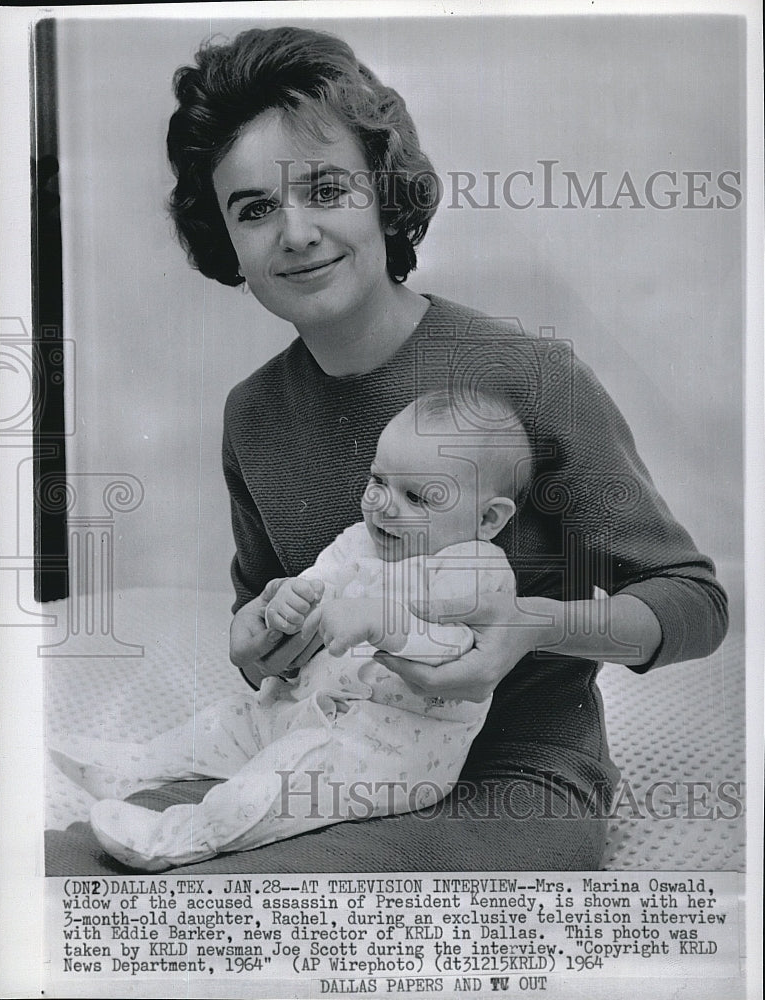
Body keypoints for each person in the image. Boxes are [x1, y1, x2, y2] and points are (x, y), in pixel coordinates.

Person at [155, 25, 727, 871]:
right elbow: (270, 637)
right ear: (226, 242)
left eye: (325, 187)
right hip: (319, 756)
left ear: (382, 193)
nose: (297, 231)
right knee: (72, 859)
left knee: (226, 892)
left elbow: (694, 605)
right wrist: (259, 644)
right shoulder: (253, 415)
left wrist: (530, 625)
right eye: (255, 208)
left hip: (510, 781)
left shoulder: (528, 375)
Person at [50, 391, 523, 871]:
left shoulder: (474, 569)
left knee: (281, 781)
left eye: (416, 496)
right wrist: (285, 608)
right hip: (302, 709)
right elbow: (312, 591)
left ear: (488, 518)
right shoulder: (358, 542)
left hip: (388, 750)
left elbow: (456, 648)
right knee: (230, 720)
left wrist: (382, 622)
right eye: (378, 480)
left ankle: (182, 836)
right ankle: (135, 767)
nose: (381, 504)